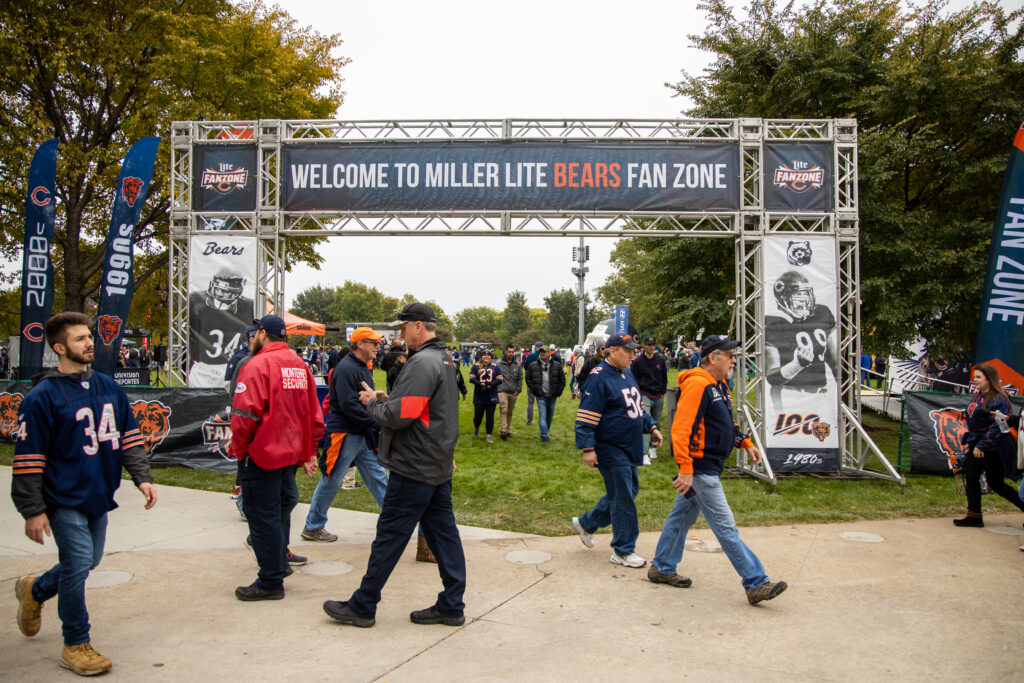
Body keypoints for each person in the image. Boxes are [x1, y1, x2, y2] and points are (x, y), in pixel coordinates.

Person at [12, 312, 157, 676]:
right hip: (63, 497)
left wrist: (141, 477)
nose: (89, 342)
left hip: (98, 492)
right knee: (78, 564)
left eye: (89, 336)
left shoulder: (108, 386)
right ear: (60, 348)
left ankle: (36, 589)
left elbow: (129, 437)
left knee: (89, 561)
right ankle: (75, 642)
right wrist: (32, 509)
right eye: (79, 339)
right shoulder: (42, 397)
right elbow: (28, 458)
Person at [323, 302, 465, 628]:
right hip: (435, 463)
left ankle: (362, 605)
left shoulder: (422, 363)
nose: (398, 335)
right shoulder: (443, 359)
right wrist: (390, 400)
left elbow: (399, 418)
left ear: (417, 326)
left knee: (389, 537)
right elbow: (429, 412)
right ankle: (452, 604)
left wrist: (373, 402)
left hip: (414, 467)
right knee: (444, 536)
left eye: (402, 328)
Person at [649, 335, 788, 606]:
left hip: (706, 466)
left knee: (681, 518)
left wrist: (745, 442)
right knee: (726, 527)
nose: (734, 360)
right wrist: (686, 469)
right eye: (729, 355)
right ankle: (756, 582)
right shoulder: (699, 385)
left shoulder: (719, 385)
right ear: (714, 357)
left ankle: (663, 567)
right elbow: (680, 429)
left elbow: (723, 424)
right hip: (700, 469)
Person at [229, 315, 324, 601]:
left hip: (262, 453)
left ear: (260, 333)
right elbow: (314, 414)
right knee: (279, 508)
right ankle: (278, 563)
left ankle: (270, 580)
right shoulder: (299, 365)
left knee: (262, 516)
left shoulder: (256, 365)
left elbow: (244, 415)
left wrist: (241, 450)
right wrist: (308, 449)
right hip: (288, 453)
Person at [571, 333, 662, 568]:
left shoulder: (627, 372)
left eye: (634, 350)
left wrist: (650, 426)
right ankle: (623, 550)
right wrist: (588, 447)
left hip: (628, 445)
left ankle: (586, 523)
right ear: (612, 351)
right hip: (610, 447)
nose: (633, 355)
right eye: (628, 351)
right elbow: (585, 417)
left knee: (628, 492)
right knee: (623, 499)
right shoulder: (598, 378)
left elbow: (635, 406)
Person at [301, 327, 390, 543]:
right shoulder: (347, 368)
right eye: (374, 343)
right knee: (331, 480)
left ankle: (395, 520)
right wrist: (378, 421)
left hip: (360, 434)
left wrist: (374, 401)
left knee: (378, 477)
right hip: (344, 435)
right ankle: (313, 527)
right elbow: (349, 406)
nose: (378, 347)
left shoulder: (361, 367)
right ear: (360, 344)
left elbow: (359, 401)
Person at [953, 363, 1024, 527]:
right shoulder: (979, 395)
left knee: (996, 483)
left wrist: (983, 445)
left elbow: (999, 425)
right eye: (974, 377)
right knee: (971, 478)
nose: (975, 380)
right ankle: (974, 515)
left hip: (992, 447)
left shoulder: (998, 399)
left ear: (989, 379)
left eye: (978, 377)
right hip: (976, 442)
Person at [225, 325, 258, 519]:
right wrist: (235, 410)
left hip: (256, 415)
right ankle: (241, 494)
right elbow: (231, 386)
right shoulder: (241, 358)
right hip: (243, 413)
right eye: (254, 335)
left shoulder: (259, 358)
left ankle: (242, 493)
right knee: (244, 455)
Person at [631, 336, 669, 465]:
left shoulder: (660, 360)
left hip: (658, 395)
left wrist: (662, 391)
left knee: (657, 423)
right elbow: (634, 379)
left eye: (653, 344)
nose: (652, 347)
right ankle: (644, 453)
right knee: (646, 424)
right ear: (644, 346)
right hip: (644, 394)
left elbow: (664, 377)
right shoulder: (638, 362)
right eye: (649, 344)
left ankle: (653, 448)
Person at [526, 346, 566, 443]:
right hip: (541, 395)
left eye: (544, 352)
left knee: (549, 416)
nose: (542, 353)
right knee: (542, 416)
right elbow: (528, 378)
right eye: (541, 352)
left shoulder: (557, 365)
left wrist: (558, 392)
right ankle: (544, 436)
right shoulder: (533, 365)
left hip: (552, 395)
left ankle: (545, 432)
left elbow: (562, 380)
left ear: (549, 353)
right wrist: (535, 390)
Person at [469, 349, 503, 443]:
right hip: (479, 395)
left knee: (490, 416)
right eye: (484, 355)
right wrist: (480, 384)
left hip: (491, 395)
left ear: (491, 357)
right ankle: (476, 427)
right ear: (481, 356)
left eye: (488, 355)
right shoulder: (476, 366)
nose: (486, 356)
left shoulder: (495, 366)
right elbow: (471, 378)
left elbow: (500, 379)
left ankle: (489, 435)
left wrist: (491, 385)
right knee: (478, 416)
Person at [496, 343, 523, 440]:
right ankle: (503, 430)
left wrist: (518, 390)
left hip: (513, 391)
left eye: (512, 352)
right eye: (509, 352)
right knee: (504, 409)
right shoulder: (499, 364)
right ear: (505, 352)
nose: (511, 354)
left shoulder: (518, 364)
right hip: (502, 390)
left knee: (510, 412)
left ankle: (507, 430)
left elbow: (520, 378)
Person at [523, 341, 544, 425]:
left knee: (530, 402)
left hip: (531, 381)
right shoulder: (544, 356)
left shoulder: (530, 356)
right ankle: (542, 421)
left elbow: (525, 366)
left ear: (535, 348)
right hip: (541, 382)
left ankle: (529, 421)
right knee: (541, 402)